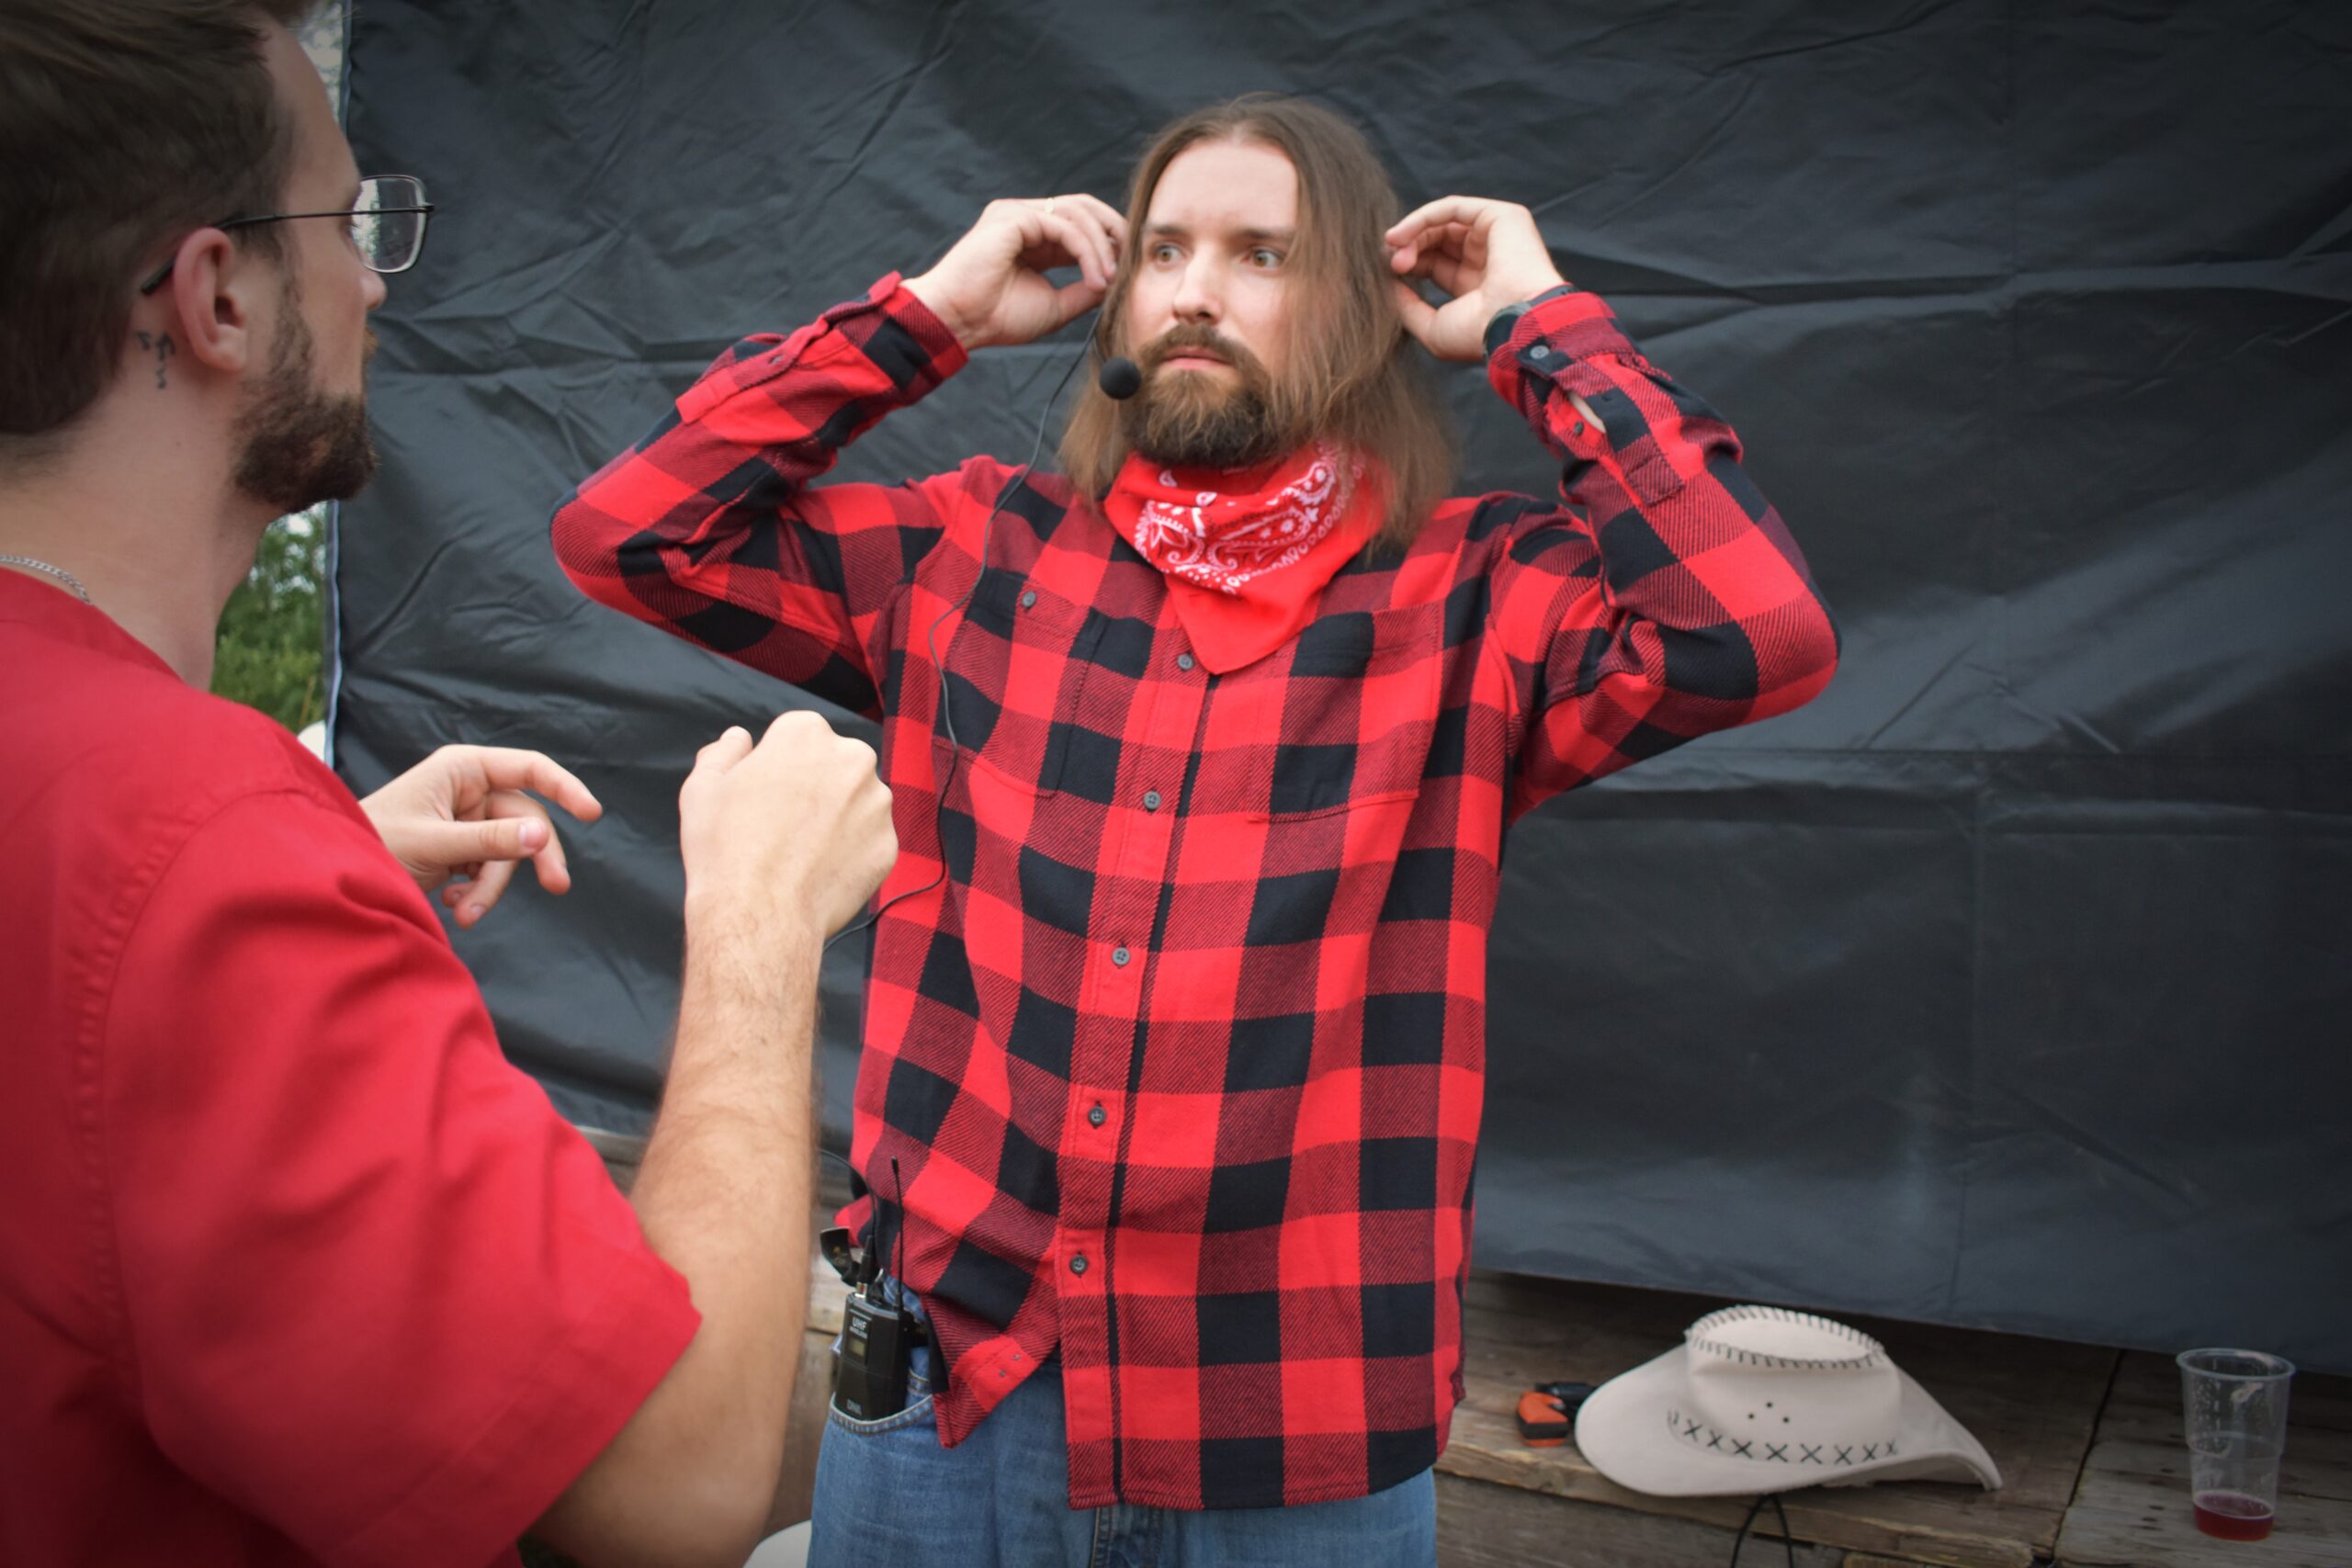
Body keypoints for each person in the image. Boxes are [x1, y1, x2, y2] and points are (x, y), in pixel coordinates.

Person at [553, 95, 1838, 1563]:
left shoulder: (1480, 595)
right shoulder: (973, 551)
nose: (1193, 293)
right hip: (947, 1408)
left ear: (1359, 309)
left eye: (1261, 255)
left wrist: (1539, 328)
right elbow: (629, 533)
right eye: (1163, 250)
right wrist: (930, 316)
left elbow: (1757, 632)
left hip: (1294, 1444)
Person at [0, 6, 897, 1566]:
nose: (373, 283)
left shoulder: (120, 815)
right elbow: (669, 1487)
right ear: (217, 296)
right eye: (343, 225)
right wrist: (759, 924)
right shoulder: (187, 840)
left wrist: (298, 868)